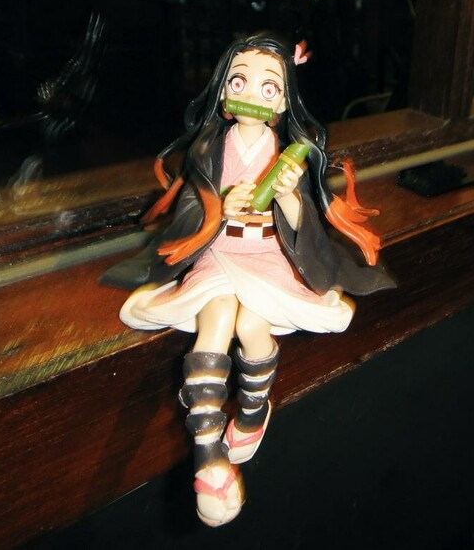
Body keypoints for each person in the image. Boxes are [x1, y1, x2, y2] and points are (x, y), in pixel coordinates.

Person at [102, 32, 395, 526]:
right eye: (239, 81)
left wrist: (287, 198)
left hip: (267, 254)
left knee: (252, 325)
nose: (252, 93)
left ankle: (255, 409)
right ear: (223, 90)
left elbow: (306, 222)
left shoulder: (289, 155)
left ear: (281, 102)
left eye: (268, 87)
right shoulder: (209, 148)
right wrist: (218, 206)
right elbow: (190, 207)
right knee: (217, 316)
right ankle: (207, 454)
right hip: (220, 252)